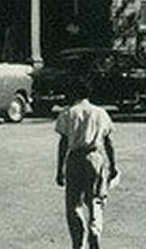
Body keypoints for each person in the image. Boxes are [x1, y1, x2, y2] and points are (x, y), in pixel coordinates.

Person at [54, 79, 119, 249]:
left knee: (74, 202)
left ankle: (78, 240)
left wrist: (60, 169)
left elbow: (63, 143)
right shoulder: (100, 113)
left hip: (75, 158)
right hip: (95, 156)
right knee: (95, 199)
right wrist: (113, 165)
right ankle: (94, 229)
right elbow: (108, 142)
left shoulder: (68, 113)